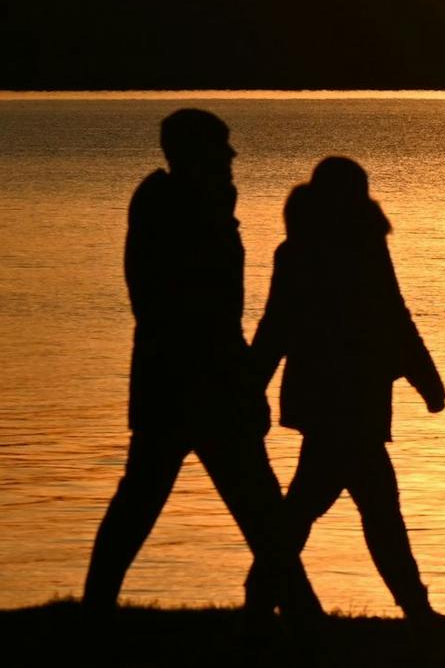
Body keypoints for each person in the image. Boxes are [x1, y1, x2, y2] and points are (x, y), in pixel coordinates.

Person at [82, 109, 318, 616]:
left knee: (245, 503)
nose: (232, 155)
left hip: (188, 380)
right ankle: (303, 613)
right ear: (194, 152)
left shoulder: (190, 204)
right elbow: (195, 309)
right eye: (221, 145)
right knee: (241, 501)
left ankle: (302, 610)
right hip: (193, 382)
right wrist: (240, 381)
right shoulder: (175, 208)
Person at [249, 156, 445, 622]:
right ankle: (416, 611)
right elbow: (391, 314)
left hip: (337, 399)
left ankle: (262, 598)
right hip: (349, 401)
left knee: (321, 505)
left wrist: (251, 385)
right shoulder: (351, 248)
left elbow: (277, 327)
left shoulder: (305, 250)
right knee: (368, 508)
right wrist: (426, 379)